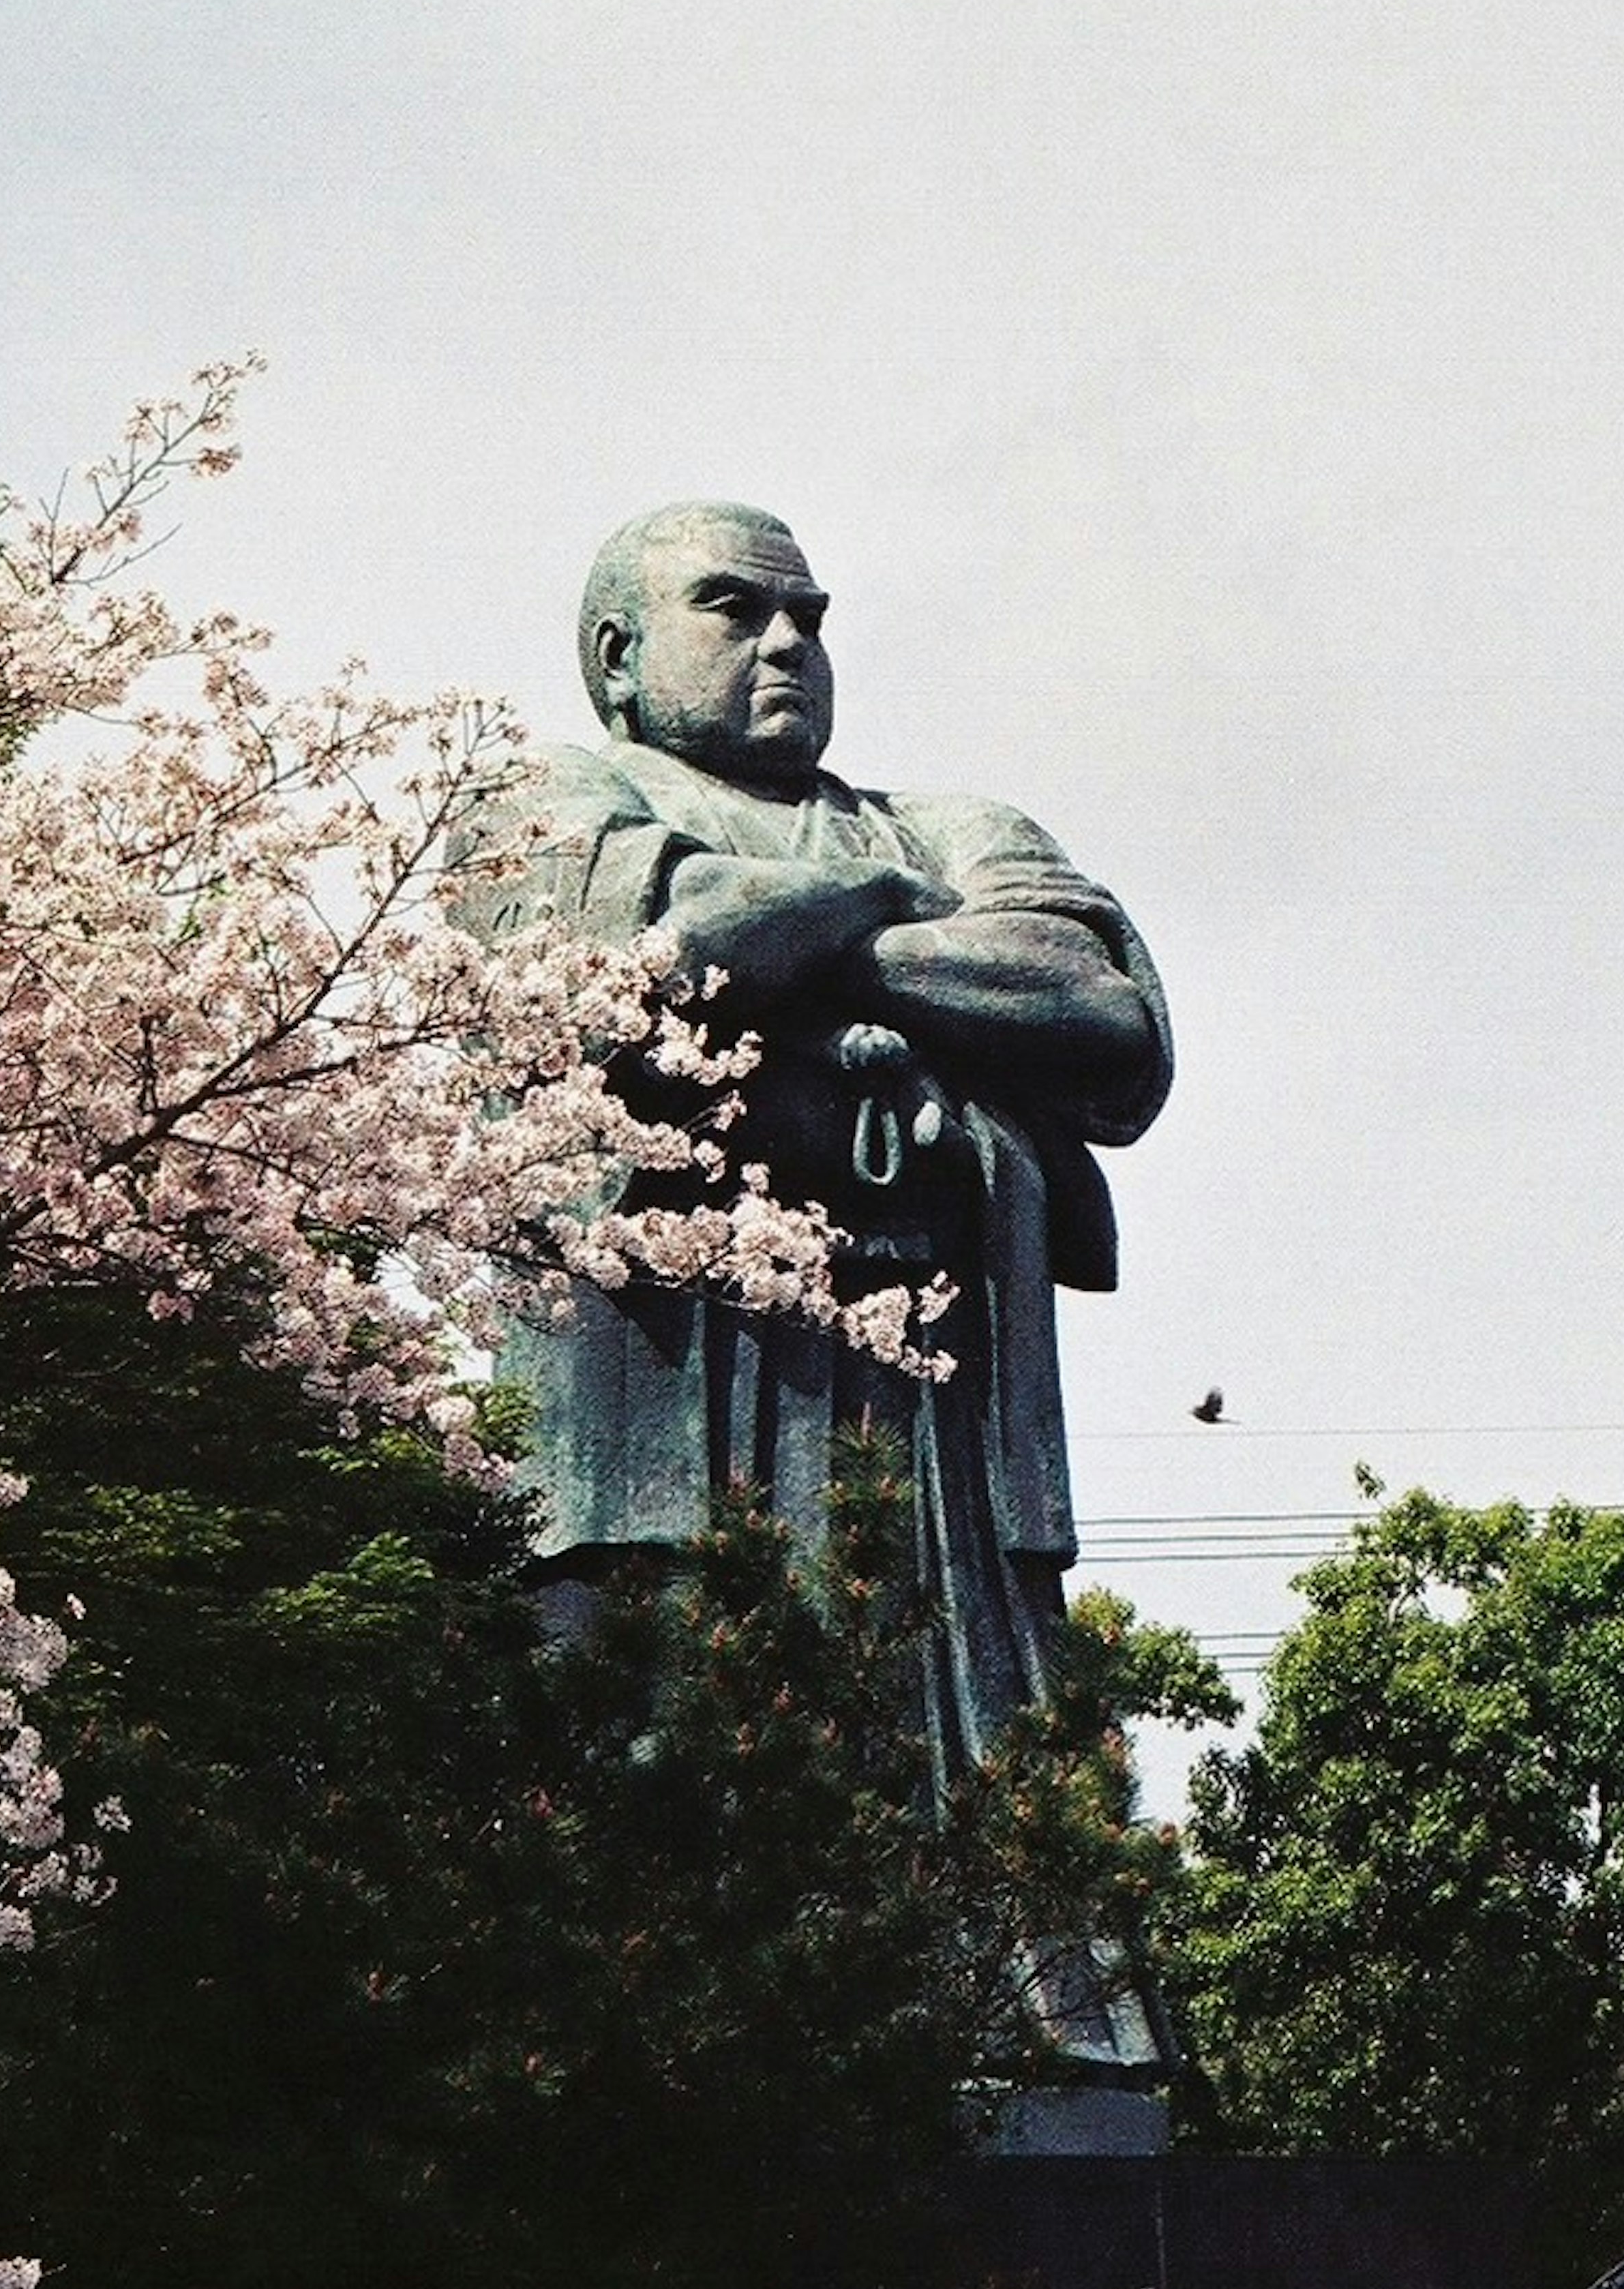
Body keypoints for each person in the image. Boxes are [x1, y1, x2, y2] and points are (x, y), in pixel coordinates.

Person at [449, 499, 1171, 1784]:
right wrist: (893, 912)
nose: (787, 641)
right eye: (734, 608)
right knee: (654, 1781)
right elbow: (655, 951)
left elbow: (1099, 1012)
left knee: (988, 1816)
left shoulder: (955, 823)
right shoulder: (544, 797)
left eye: (810, 618)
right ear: (617, 656)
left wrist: (823, 957)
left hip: (939, 1420)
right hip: (662, 1395)